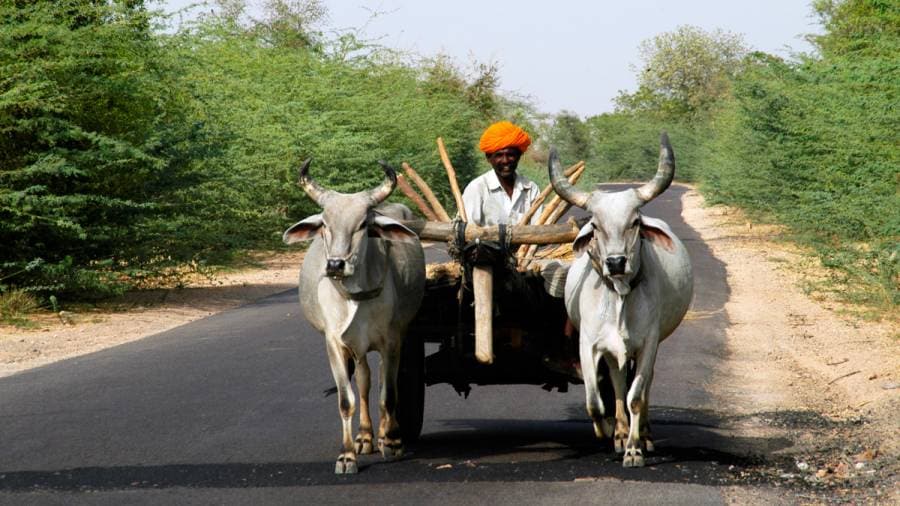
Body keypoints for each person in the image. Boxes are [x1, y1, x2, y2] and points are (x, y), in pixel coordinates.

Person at [462, 121, 543, 226]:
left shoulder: (531, 189)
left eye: (510, 155)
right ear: (489, 158)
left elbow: (539, 228)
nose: (505, 161)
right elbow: (468, 231)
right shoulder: (477, 188)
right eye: (499, 155)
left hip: (528, 242)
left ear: (519, 156)